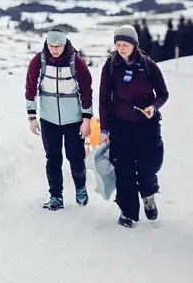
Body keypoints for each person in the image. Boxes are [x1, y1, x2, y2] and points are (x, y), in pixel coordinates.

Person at [99, 25, 169, 228]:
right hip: (120, 125)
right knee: (124, 169)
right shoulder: (111, 66)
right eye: (118, 44)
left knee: (148, 167)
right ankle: (128, 212)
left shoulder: (148, 65)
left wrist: (153, 107)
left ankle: (148, 194)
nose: (121, 48)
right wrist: (104, 128)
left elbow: (163, 94)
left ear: (134, 45)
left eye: (125, 44)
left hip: (147, 125)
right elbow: (104, 100)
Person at [25, 30, 93, 210]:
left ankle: (80, 188)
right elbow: (30, 89)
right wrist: (32, 117)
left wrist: (86, 119)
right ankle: (56, 196)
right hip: (48, 120)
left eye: (59, 46)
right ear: (47, 45)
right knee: (53, 159)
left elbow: (86, 91)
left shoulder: (76, 62)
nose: (55, 50)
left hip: (74, 120)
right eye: (51, 46)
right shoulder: (38, 62)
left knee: (76, 157)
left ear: (65, 45)